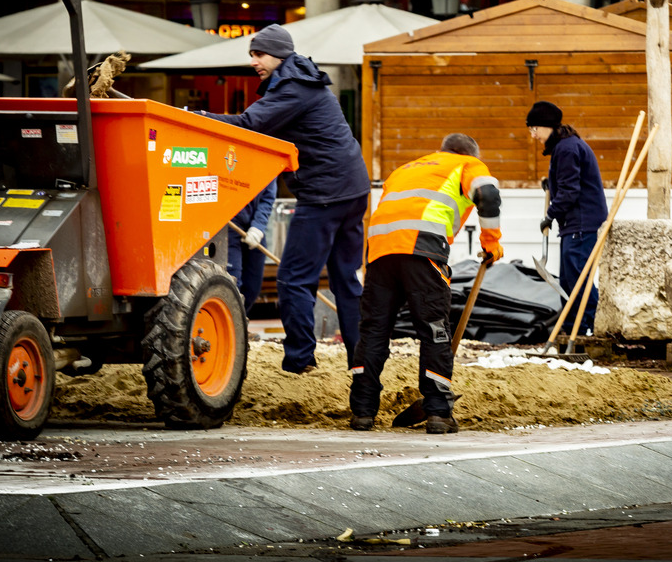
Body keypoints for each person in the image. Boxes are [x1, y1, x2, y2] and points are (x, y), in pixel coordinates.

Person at [197, 24, 370, 373]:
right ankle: (362, 363)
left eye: (258, 54)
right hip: (353, 189)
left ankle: (300, 361)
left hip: (325, 194)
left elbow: (248, 124)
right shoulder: (306, 82)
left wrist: (198, 119)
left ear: (277, 54)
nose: (253, 62)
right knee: (346, 280)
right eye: (251, 55)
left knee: (293, 278)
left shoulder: (293, 88)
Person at [348, 133, 503, 434]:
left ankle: (362, 412)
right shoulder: (467, 164)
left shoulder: (407, 169)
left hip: (380, 252)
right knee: (434, 331)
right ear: (470, 154)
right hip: (422, 249)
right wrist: (491, 242)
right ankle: (438, 412)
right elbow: (488, 194)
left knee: (373, 331)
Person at [526, 100, 608, 334]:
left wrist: (550, 215)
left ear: (546, 126)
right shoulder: (566, 147)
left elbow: (571, 191)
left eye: (534, 129)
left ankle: (589, 328)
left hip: (582, 223)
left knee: (577, 279)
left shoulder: (567, 149)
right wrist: (550, 183)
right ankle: (574, 329)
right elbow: (569, 182)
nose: (534, 136)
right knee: (568, 280)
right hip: (577, 223)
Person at [227, 178, 277, 314]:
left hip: (253, 225)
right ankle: (233, 326)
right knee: (232, 281)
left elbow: (268, 197)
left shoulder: (270, 163)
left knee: (253, 285)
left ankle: (240, 321)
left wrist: (258, 227)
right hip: (228, 224)